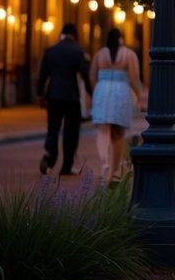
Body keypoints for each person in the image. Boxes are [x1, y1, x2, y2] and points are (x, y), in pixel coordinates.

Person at [36, 23, 92, 176]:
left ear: (62, 34)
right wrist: (92, 93)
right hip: (72, 97)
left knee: (53, 128)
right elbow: (85, 74)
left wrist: (40, 95)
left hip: (53, 96)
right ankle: (66, 166)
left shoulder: (50, 51)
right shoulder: (78, 51)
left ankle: (50, 157)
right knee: (71, 132)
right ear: (75, 35)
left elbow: (42, 76)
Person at [90, 28, 143, 185]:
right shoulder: (129, 55)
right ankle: (114, 172)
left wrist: (97, 91)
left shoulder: (100, 54)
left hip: (102, 90)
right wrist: (139, 95)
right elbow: (134, 78)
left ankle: (105, 163)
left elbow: (92, 76)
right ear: (121, 39)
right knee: (118, 133)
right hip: (121, 92)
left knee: (103, 129)